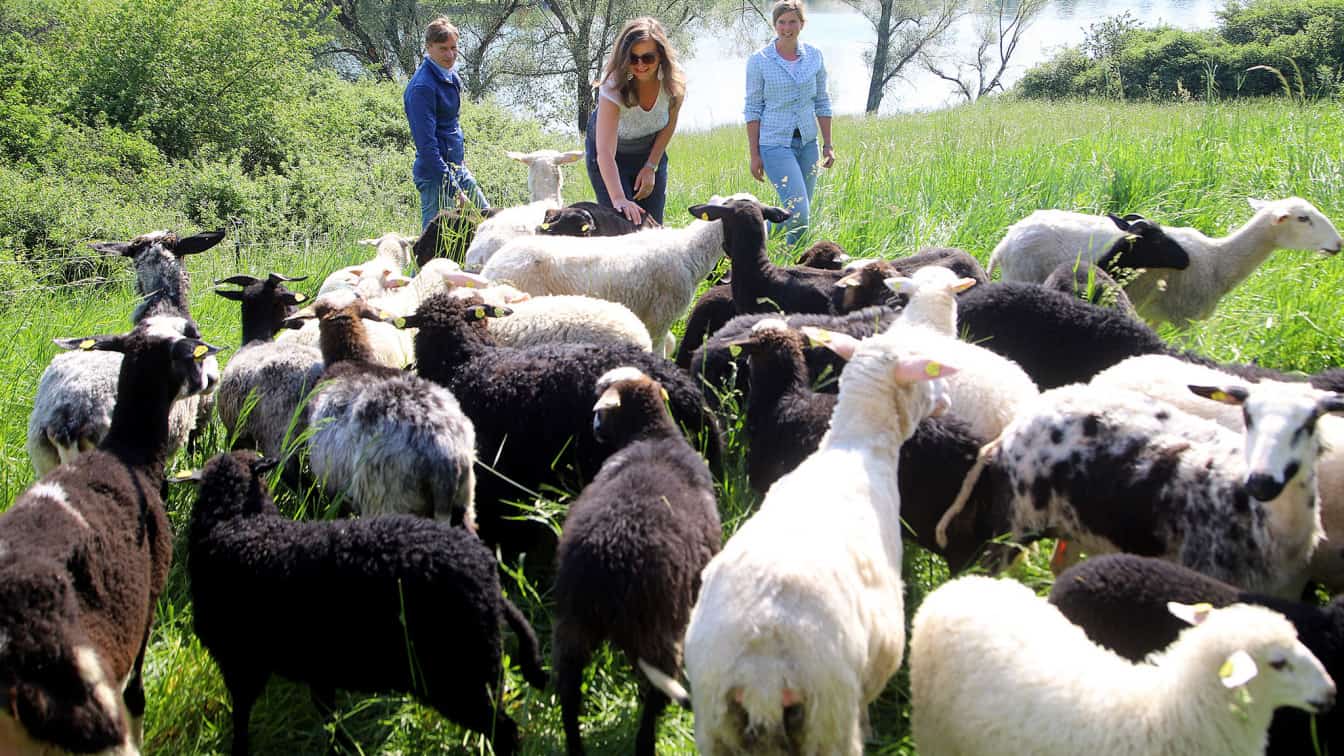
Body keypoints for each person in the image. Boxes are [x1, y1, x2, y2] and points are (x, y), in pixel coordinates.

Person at [744, 0, 835, 245]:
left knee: (801, 214)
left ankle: (780, 257)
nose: (787, 27)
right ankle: (750, 244)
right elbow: (752, 109)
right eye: (781, 22)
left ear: (802, 24)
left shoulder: (814, 56)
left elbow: (822, 101)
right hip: (775, 145)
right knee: (799, 212)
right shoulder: (760, 60)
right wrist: (754, 155)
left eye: (792, 21)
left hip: (808, 142)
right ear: (775, 25)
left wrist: (828, 144)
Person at [586, 17, 686, 226]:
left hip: (648, 152)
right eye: (633, 58)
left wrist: (651, 166)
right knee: (622, 224)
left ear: (661, 56)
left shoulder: (674, 83)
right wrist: (619, 199)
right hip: (610, 156)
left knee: (653, 228)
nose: (640, 65)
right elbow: (604, 152)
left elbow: (669, 125)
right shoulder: (613, 85)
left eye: (648, 58)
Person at [404, 17, 490, 231]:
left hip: (456, 168)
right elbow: (427, 147)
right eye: (443, 49)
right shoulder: (422, 88)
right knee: (432, 245)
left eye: (454, 48)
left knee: (488, 222)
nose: (450, 55)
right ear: (428, 47)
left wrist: (460, 162)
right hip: (435, 177)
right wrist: (454, 190)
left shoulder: (449, 75)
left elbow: (451, 125)